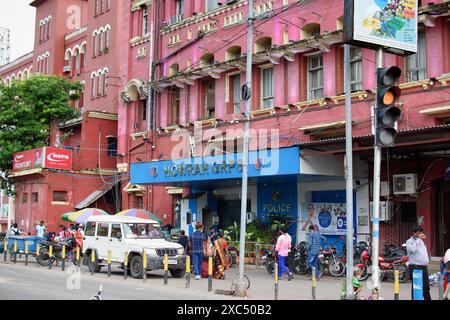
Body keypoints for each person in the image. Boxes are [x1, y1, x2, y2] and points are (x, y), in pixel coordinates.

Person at [405, 225, 431, 300]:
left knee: (426, 287)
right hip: (415, 267)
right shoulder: (409, 242)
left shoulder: (421, 241)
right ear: (414, 233)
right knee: (416, 287)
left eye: (421, 233)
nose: (420, 234)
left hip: (423, 266)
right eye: (418, 233)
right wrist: (418, 240)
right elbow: (412, 250)